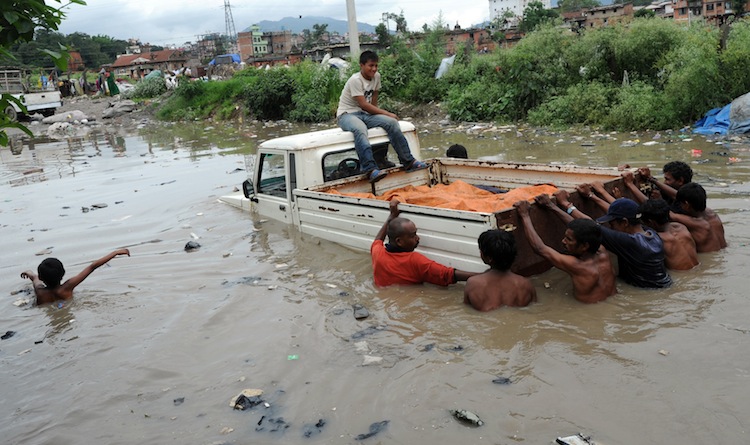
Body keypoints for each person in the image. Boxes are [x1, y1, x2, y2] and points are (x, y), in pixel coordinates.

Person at [337, 50, 427, 183]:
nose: (373, 69)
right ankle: (370, 169)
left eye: (376, 66)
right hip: (347, 115)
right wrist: (386, 113)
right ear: (361, 65)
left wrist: (382, 116)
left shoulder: (376, 77)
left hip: (365, 114)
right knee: (360, 129)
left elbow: (373, 100)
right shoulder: (355, 80)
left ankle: (408, 161)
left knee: (391, 123)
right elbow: (363, 104)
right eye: (370, 66)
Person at [559, 191, 672, 289]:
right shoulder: (651, 233)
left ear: (625, 222)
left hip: (647, 291)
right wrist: (591, 195)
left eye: (612, 224)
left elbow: (589, 226)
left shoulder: (630, 242)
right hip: (663, 285)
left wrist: (566, 205)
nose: (611, 227)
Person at [514, 197, 616, 304]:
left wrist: (525, 215)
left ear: (584, 246)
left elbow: (539, 248)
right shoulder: (602, 251)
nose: (563, 241)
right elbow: (580, 227)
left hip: (589, 311)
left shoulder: (577, 265)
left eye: (569, 240)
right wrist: (551, 206)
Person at [371, 200, 476, 287]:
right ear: (399, 241)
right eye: (413, 236)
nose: (418, 238)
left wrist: (391, 216)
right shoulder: (414, 260)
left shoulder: (377, 253)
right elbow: (447, 274)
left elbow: (378, 239)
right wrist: (483, 276)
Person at [20, 249, 130, 305]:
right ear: (62, 273)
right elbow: (92, 267)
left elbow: (34, 277)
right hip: (66, 306)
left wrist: (28, 272)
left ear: (42, 277)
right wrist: (115, 253)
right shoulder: (67, 288)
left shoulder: (39, 291)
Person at [463, 229, 537, 311]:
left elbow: (467, 311)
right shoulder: (525, 284)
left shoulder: (473, 284)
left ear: (488, 258)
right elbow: (535, 309)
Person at [639, 199, 699, 270]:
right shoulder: (681, 227)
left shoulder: (658, 239)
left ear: (651, 222)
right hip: (698, 270)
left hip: (683, 276)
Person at [670, 182, 726, 252]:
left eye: (681, 203)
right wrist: (654, 181)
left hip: (708, 261)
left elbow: (669, 214)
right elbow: (678, 196)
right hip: (721, 254)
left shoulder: (697, 224)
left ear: (687, 205)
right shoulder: (712, 214)